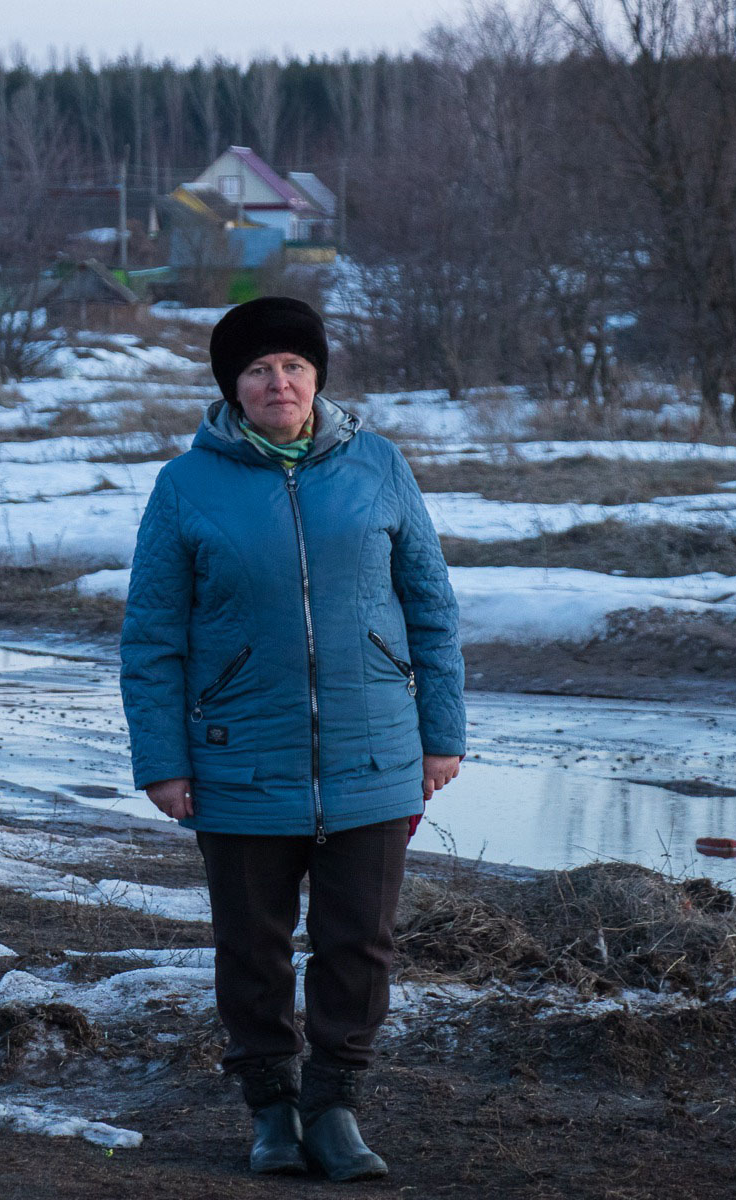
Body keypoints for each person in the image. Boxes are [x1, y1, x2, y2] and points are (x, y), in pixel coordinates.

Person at [120, 296, 465, 1181]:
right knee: (251, 946)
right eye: (260, 369)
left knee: (359, 943)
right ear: (233, 388)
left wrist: (442, 736)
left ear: (318, 378)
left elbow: (430, 609)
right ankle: (272, 1111)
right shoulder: (186, 486)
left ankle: (335, 1111)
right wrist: (163, 761)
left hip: (376, 754)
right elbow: (153, 635)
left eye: (295, 368)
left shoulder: (380, 467)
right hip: (241, 756)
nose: (280, 383)